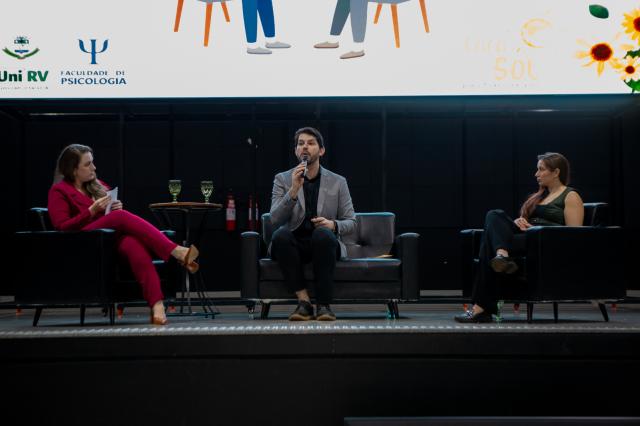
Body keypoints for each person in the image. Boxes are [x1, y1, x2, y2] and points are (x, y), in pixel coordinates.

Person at [47, 144, 200, 326]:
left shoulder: (98, 186)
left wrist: (114, 207)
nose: (94, 167)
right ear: (73, 169)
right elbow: (62, 227)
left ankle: (157, 305)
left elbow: (109, 217)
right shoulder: (59, 191)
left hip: (108, 239)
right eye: (87, 164)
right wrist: (91, 211)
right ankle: (177, 251)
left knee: (134, 245)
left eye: (92, 162)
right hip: (84, 242)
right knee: (120, 217)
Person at [455, 152, 584, 323]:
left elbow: (574, 235)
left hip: (543, 243)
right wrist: (519, 222)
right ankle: (502, 255)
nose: (536, 174)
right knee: (494, 214)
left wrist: (536, 228)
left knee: (487, 245)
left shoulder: (570, 195)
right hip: (526, 238)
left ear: (556, 172)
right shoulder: (540, 196)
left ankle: (481, 308)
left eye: (541, 169)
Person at [270, 127, 356, 321]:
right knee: (280, 235)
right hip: (294, 245)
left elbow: (351, 222)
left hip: (324, 243)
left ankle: (324, 306)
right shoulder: (282, 179)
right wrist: (293, 190)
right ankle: (304, 303)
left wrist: (332, 225)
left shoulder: (338, 181)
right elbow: (274, 219)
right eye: (301, 144)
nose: (305, 147)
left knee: (322, 234)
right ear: (296, 151)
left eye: (310, 143)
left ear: (321, 150)